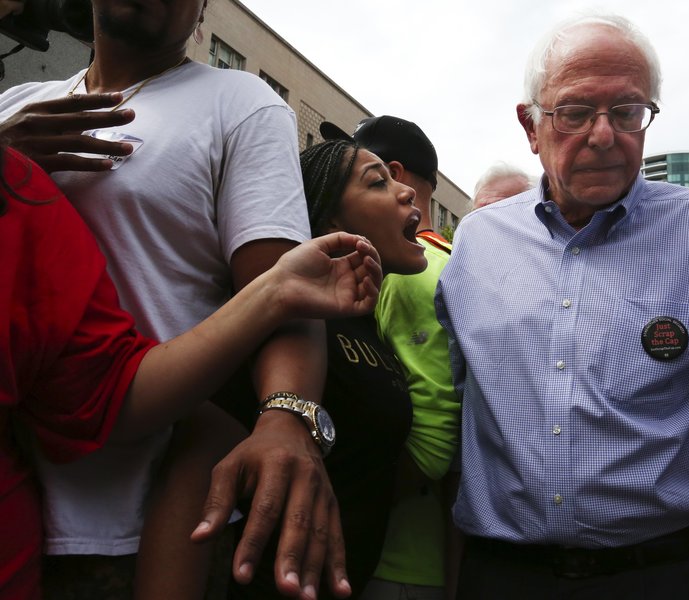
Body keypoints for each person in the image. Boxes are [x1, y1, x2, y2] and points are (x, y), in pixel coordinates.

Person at [0, 1, 343, 597]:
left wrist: (287, 419)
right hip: (17, 490)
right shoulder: (16, 105)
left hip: (153, 519)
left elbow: (286, 288)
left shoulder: (241, 101)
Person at [435, 13, 689, 600]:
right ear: (530, 124)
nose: (603, 135)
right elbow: (457, 421)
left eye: (627, 112)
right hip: (502, 577)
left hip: (666, 576)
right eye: (574, 112)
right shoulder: (475, 244)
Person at [0, 144, 382, 599]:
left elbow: (109, 390)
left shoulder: (20, 188)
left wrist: (275, 296)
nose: (410, 196)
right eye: (380, 180)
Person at [231, 138, 427, 599]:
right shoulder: (293, 327)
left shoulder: (370, 325)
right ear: (333, 220)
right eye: (378, 182)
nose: (407, 192)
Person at [320, 116, 460, 600]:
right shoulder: (336, 292)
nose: (401, 197)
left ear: (396, 171)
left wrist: (338, 511)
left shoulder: (411, 271)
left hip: (393, 565)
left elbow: (433, 443)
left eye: (380, 176)